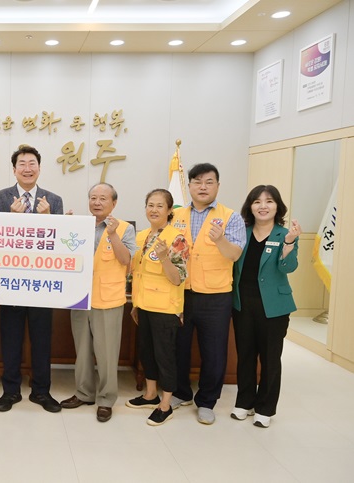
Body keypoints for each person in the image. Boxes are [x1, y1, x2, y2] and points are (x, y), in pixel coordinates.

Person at [0, 145, 64, 413]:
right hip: (11, 283)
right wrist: (11, 219)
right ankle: (10, 391)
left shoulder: (53, 200)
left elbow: (59, 244)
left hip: (42, 284)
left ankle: (41, 391)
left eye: (32, 163)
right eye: (22, 164)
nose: (27, 168)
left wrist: (48, 220)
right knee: (10, 338)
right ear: (14, 169)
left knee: (42, 340)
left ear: (39, 168)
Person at [170, 163, 246, 424]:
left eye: (209, 182)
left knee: (214, 352)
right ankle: (181, 392)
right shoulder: (176, 214)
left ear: (218, 186)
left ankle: (207, 401)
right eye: (197, 181)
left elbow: (234, 255)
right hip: (181, 292)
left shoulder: (231, 217)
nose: (203, 187)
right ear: (189, 185)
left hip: (215, 296)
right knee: (178, 347)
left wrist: (220, 240)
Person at [59, 183, 135, 422]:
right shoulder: (80, 225)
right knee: (82, 350)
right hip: (80, 297)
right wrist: (62, 228)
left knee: (107, 353)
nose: (97, 202)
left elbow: (126, 261)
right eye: (93, 198)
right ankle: (84, 393)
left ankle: (106, 399)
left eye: (103, 198)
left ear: (114, 203)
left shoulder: (124, 228)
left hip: (108, 298)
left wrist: (112, 234)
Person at [231, 185, 300, 428]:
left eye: (269, 201)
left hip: (274, 306)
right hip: (242, 303)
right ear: (250, 206)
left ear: (277, 206)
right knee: (245, 355)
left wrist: (289, 244)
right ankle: (244, 402)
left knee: (270, 358)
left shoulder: (285, 234)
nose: (263, 206)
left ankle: (265, 408)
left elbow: (288, 267)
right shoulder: (242, 232)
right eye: (257, 201)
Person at [126, 189, 189, 426]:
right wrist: (135, 304)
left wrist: (164, 258)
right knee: (147, 352)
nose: (154, 210)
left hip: (165, 308)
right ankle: (150, 394)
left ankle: (166, 404)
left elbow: (177, 279)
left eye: (160, 206)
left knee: (165, 356)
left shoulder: (177, 239)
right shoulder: (142, 236)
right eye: (150, 205)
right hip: (143, 305)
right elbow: (137, 272)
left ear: (170, 210)